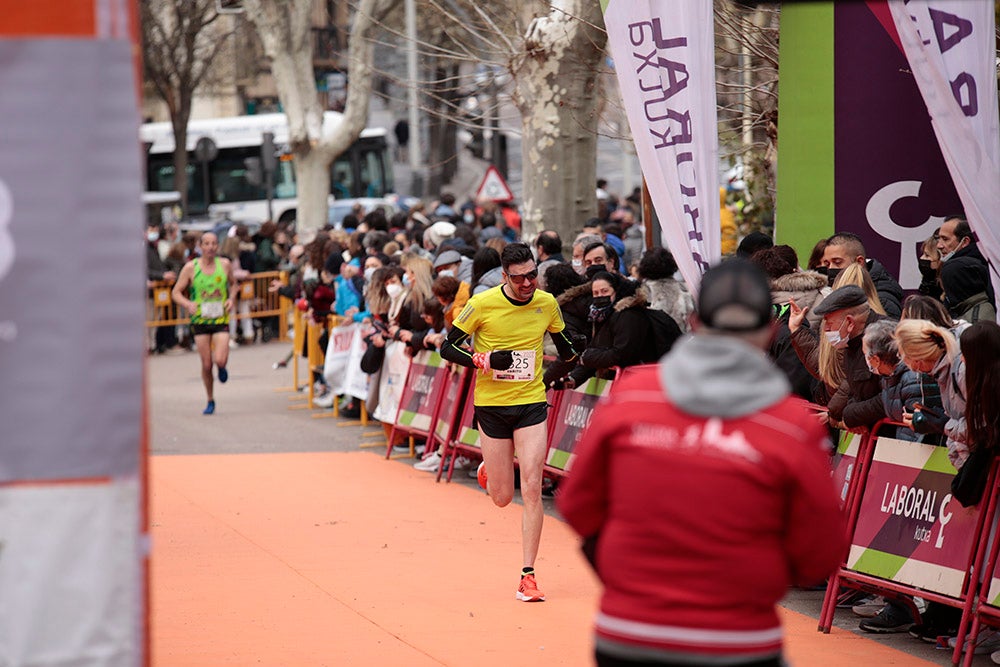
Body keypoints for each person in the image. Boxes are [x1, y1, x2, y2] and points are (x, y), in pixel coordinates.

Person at [557, 259, 846, 667]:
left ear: (694, 321)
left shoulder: (633, 395)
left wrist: (629, 572)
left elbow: (578, 505)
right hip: (738, 640)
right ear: (767, 330)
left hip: (631, 631)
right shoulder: (792, 424)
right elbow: (819, 552)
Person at [439, 242, 581, 602]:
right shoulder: (482, 304)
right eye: (519, 278)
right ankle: (492, 467)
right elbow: (448, 346)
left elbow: (564, 344)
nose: (528, 283)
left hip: (531, 403)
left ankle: (528, 575)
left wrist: (574, 349)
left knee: (532, 486)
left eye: (533, 275)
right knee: (503, 497)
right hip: (491, 405)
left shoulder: (546, 303)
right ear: (504, 276)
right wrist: (482, 360)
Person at [171, 232, 235, 415]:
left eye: (214, 243)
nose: (210, 247)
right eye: (206, 244)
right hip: (200, 320)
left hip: (220, 318)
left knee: (220, 359)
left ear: (218, 246)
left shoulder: (225, 264)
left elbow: (234, 284)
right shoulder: (191, 267)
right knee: (206, 365)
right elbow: (176, 292)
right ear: (200, 246)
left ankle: (222, 367)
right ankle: (210, 399)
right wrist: (187, 303)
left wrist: (231, 298)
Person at [820, 232, 903, 318]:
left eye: (837, 262)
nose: (830, 268)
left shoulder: (883, 302)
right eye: (827, 264)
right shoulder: (829, 295)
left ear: (859, 262)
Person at [937, 216, 996, 324]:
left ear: (965, 242)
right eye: (939, 239)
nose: (939, 245)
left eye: (945, 239)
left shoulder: (969, 268)